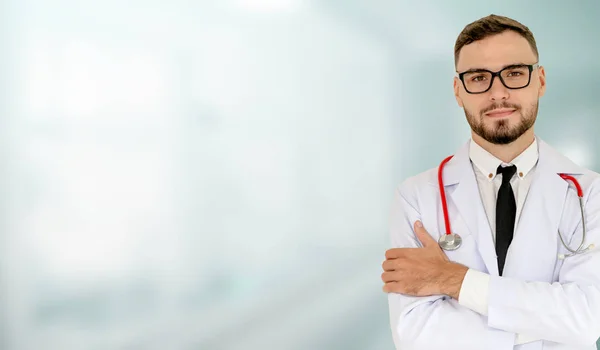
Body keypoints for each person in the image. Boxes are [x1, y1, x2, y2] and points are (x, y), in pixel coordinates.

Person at [380, 14, 600, 350]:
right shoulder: (415, 197)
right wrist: (544, 325)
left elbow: (587, 320)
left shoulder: (591, 194)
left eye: (514, 73)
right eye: (479, 77)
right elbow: (415, 333)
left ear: (539, 80)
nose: (498, 93)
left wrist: (454, 281)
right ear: (458, 91)